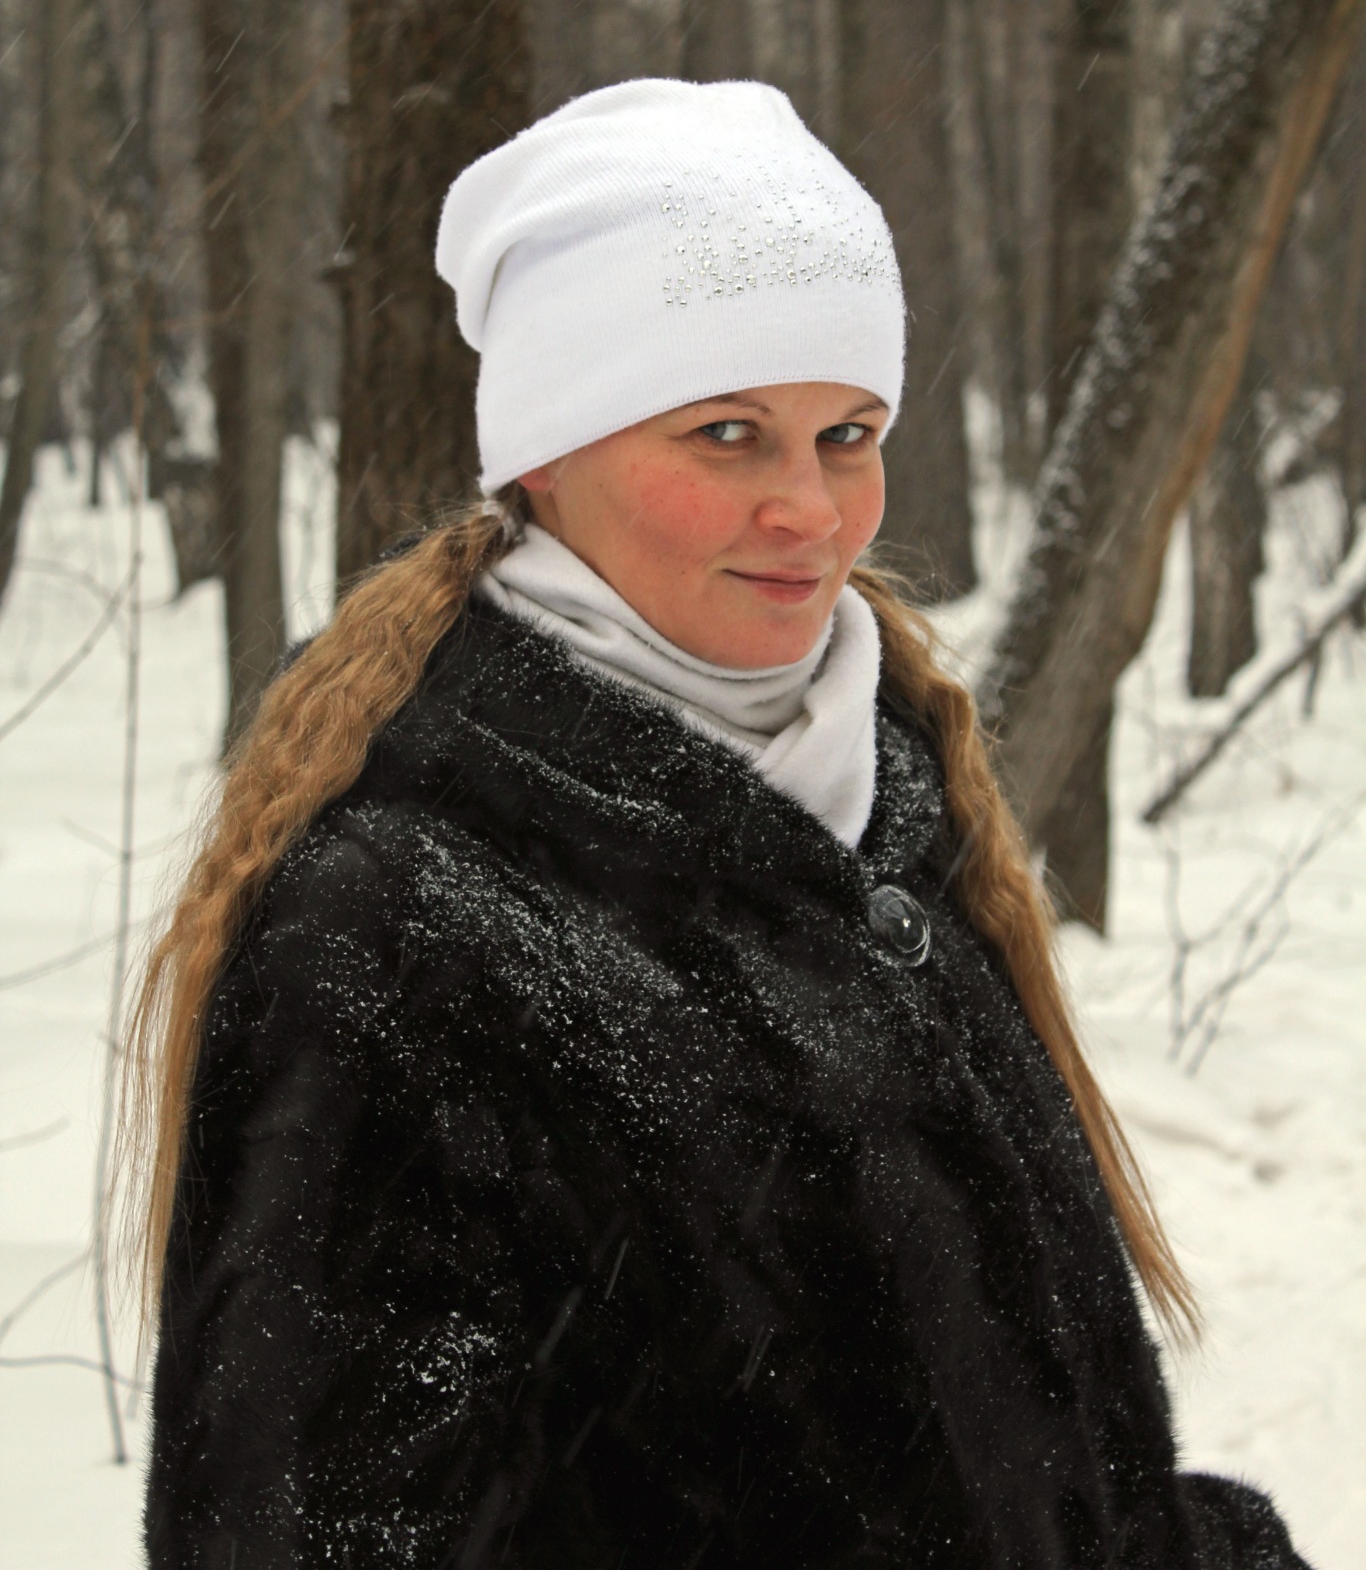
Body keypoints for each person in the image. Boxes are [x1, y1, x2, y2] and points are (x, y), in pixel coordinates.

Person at [129, 80, 1310, 1568]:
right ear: (546, 454)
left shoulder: (890, 814)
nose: (811, 510)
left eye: (848, 434)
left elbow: (1032, 1483)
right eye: (729, 432)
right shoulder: (403, 920)